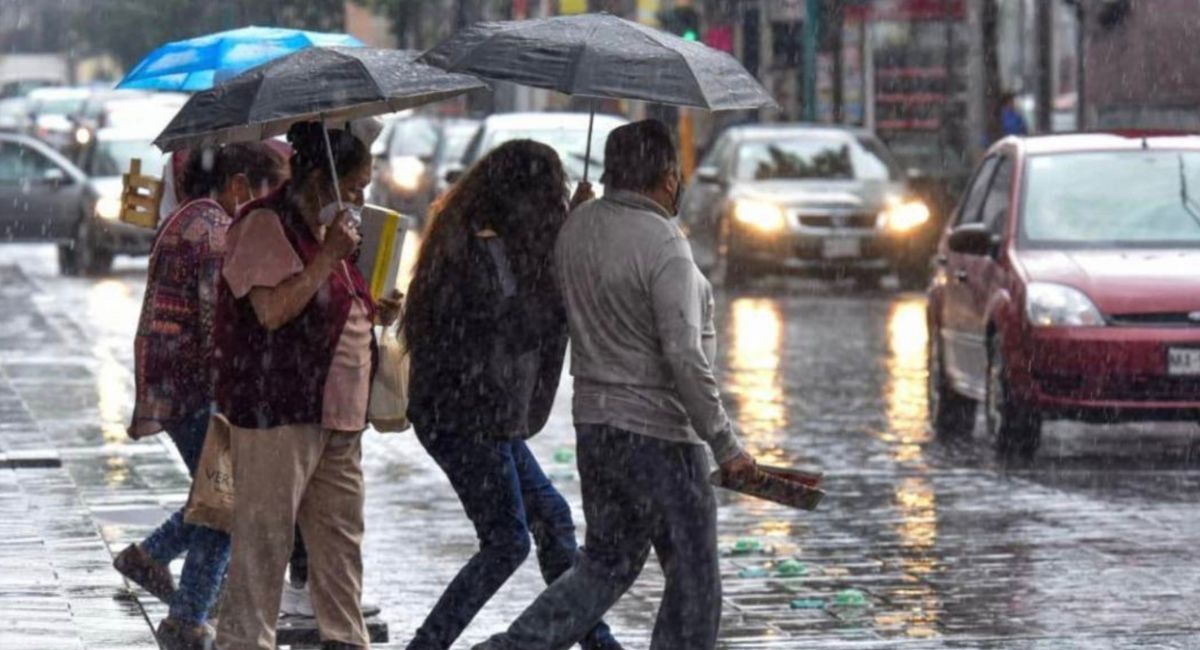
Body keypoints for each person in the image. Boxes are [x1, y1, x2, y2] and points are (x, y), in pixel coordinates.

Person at [474, 120, 758, 650]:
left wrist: (578, 212)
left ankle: (513, 647)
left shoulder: (577, 230)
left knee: (605, 563)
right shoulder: (665, 246)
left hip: (597, 429)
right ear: (669, 177)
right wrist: (725, 443)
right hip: (662, 437)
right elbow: (683, 354)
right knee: (695, 579)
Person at [402, 139, 622, 650]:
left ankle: (597, 641)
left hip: (483, 416)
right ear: (523, 196)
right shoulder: (475, 250)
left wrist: (570, 227)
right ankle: (428, 644)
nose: (553, 204)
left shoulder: (495, 242)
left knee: (552, 518)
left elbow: (527, 308)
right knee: (505, 542)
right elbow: (517, 325)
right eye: (551, 195)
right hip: (461, 417)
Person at [213, 119, 401, 650]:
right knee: (264, 545)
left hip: (339, 416)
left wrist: (370, 306)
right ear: (321, 178)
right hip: (280, 409)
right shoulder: (264, 225)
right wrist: (327, 259)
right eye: (355, 186)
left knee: (340, 546)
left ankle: (346, 640)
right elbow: (272, 311)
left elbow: (329, 303)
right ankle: (245, 642)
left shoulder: (332, 232)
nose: (360, 198)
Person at [116, 142, 289, 650]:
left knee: (217, 493)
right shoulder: (214, 231)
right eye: (263, 193)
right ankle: (187, 615)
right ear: (238, 185)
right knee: (227, 502)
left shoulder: (185, 217)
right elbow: (219, 322)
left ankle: (150, 557)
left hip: (173, 383)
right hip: (196, 387)